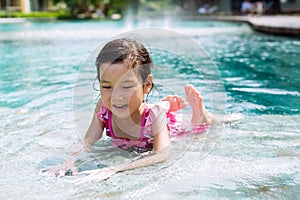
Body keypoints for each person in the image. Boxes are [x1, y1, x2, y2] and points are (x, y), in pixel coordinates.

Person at [42, 38, 215, 183]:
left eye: (126, 86)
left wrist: (116, 168)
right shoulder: (103, 107)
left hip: (174, 128)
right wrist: (68, 161)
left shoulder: (155, 116)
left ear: (146, 85)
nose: (116, 97)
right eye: (107, 86)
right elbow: (87, 141)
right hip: (140, 133)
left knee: (196, 129)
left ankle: (201, 114)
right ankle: (176, 106)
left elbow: (163, 153)